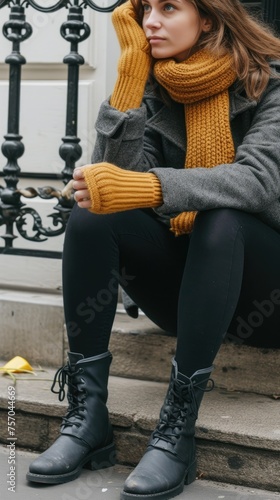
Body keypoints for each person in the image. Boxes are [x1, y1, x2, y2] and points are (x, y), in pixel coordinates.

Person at [27, 0, 280, 498]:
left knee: (223, 216)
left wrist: (152, 188)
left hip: (263, 292)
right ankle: (87, 418)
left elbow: (258, 182)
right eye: (144, 8)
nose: (150, 22)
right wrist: (128, 81)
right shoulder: (155, 88)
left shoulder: (269, 84)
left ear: (209, 17)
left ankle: (175, 432)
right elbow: (110, 183)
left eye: (169, 7)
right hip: (192, 291)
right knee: (91, 217)